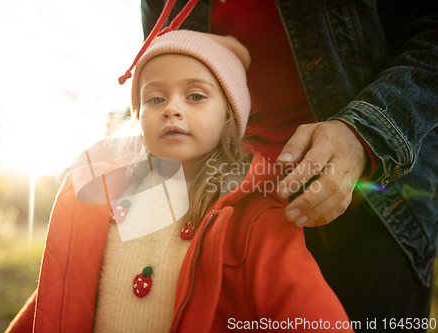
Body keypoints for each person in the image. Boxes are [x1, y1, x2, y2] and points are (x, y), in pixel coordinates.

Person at [6, 28, 356, 332]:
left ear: (229, 118)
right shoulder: (100, 203)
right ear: (139, 117)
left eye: (195, 96)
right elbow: (56, 303)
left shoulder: (256, 221)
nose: (171, 108)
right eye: (155, 98)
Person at [140, 0, 438, 331]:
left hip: (378, 203)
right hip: (227, 211)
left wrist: (364, 133)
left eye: (195, 96)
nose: (171, 108)